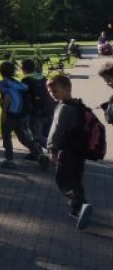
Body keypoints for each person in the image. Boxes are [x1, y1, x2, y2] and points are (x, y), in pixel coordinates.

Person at [46, 74, 93, 230]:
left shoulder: (63, 108)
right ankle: (77, 209)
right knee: (76, 180)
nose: (52, 94)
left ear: (67, 88)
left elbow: (56, 130)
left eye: (55, 91)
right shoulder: (79, 105)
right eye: (50, 91)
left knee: (62, 181)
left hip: (66, 152)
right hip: (79, 152)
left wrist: (52, 149)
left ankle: (80, 204)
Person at [0, 61, 49, 169]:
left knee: (6, 137)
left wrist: (4, 113)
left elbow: (7, 98)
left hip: (10, 114)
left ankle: (9, 160)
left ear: (0, 72)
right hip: (20, 115)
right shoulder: (18, 83)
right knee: (24, 137)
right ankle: (39, 154)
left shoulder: (4, 84)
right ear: (13, 72)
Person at [20, 58, 55, 147]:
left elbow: (25, 98)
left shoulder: (26, 80)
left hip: (36, 111)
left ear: (23, 69)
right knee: (46, 133)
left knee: (36, 135)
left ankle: (53, 149)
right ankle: (39, 151)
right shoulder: (43, 78)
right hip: (49, 108)